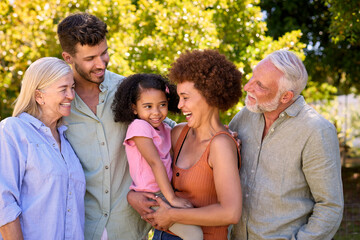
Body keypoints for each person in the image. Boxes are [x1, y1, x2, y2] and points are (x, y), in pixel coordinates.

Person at [57, 13, 163, 239]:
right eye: (90, 58)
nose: (100, 63)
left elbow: (166, 127)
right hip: (81, 228)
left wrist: (214, 133)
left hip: (128, 227)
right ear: (68, 57)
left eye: (104, 53)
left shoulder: (128, 89)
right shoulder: (58, 100)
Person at [229, 50, 344, 240]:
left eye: (260, 85)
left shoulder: (316, 131)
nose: (247, 87)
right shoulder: (244, 116)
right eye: (252, 77)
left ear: (285, 97)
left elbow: (329, 207)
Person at [142, 49, 243, 240]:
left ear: (210, 95)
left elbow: (231, 212)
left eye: (185, 97)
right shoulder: (179, 133)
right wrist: (134, 196)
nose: (179, 105)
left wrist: (172, 215)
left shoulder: (220, 145)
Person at [0, 57, 85, 240]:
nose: (71, 95)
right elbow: (3, 203)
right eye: (63, 89)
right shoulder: (14, 131)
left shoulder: (67, 144)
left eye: (72, 88)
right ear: (39, 96)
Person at [112, 73, 203, 240]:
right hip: (152, 196)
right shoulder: (139, 127)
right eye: (148, 106)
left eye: (162, 105)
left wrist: (221, 131)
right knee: (195, 235)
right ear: (134, 108)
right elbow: (155, 162)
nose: (156, 112)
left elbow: (192, 130)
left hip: (165, 192)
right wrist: (173, 199)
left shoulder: (165, 129)